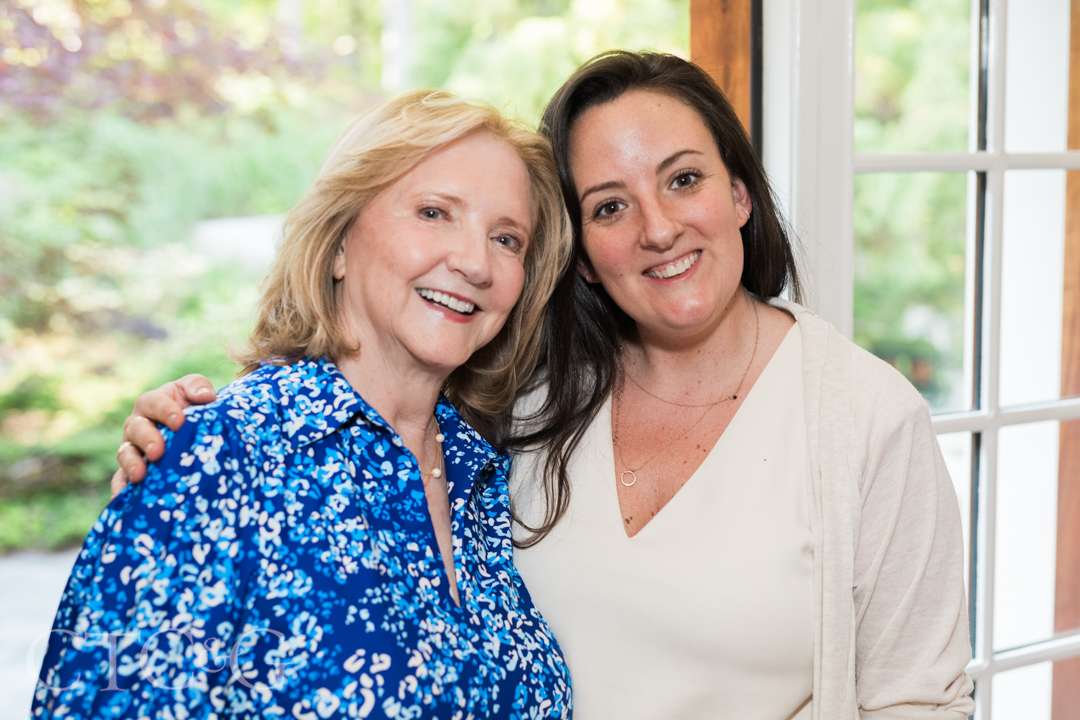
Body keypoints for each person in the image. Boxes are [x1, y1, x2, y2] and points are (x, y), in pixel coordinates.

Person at [110, 52, 975, 719]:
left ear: (741, 195)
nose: (658, 228)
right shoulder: (521, 406)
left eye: (684, 179)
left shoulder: (862, 419)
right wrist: (183, 455)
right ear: (584, 259)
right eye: (609, 206)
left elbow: (919, 700)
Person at [34, 90, 574, 719]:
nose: (476, 263)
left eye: (506, 239)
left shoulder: (486, 476)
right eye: (434, 212)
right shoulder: (217, 458)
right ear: (339, 243)